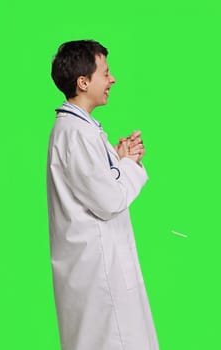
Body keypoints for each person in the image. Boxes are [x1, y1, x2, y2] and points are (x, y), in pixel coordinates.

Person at [46, 39, 158, 350]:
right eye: (105, 73)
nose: (112, 79)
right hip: (98, 272)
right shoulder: (75, 133)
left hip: (99, 269)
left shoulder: (82, 130)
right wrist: (129, 165)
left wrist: (120, 161)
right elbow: (109, 200)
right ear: (83, 82)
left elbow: (101, 183)